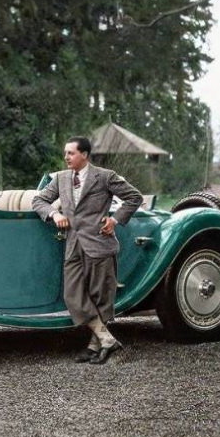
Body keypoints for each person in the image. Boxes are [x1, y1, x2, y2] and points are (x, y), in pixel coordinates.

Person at [31, 137, 143, 364]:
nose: (66, 157)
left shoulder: (105, 176)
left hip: (100, 244)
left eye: (70, 153)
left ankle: (95, 347)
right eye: (65, 153)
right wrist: (55, 214)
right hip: (73, 245)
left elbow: (134, 197)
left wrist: (115, 220)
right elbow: (39, 200)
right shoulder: (61, 179)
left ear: (84, 154)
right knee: (73, 296)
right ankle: (108, 340)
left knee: (100, 298)